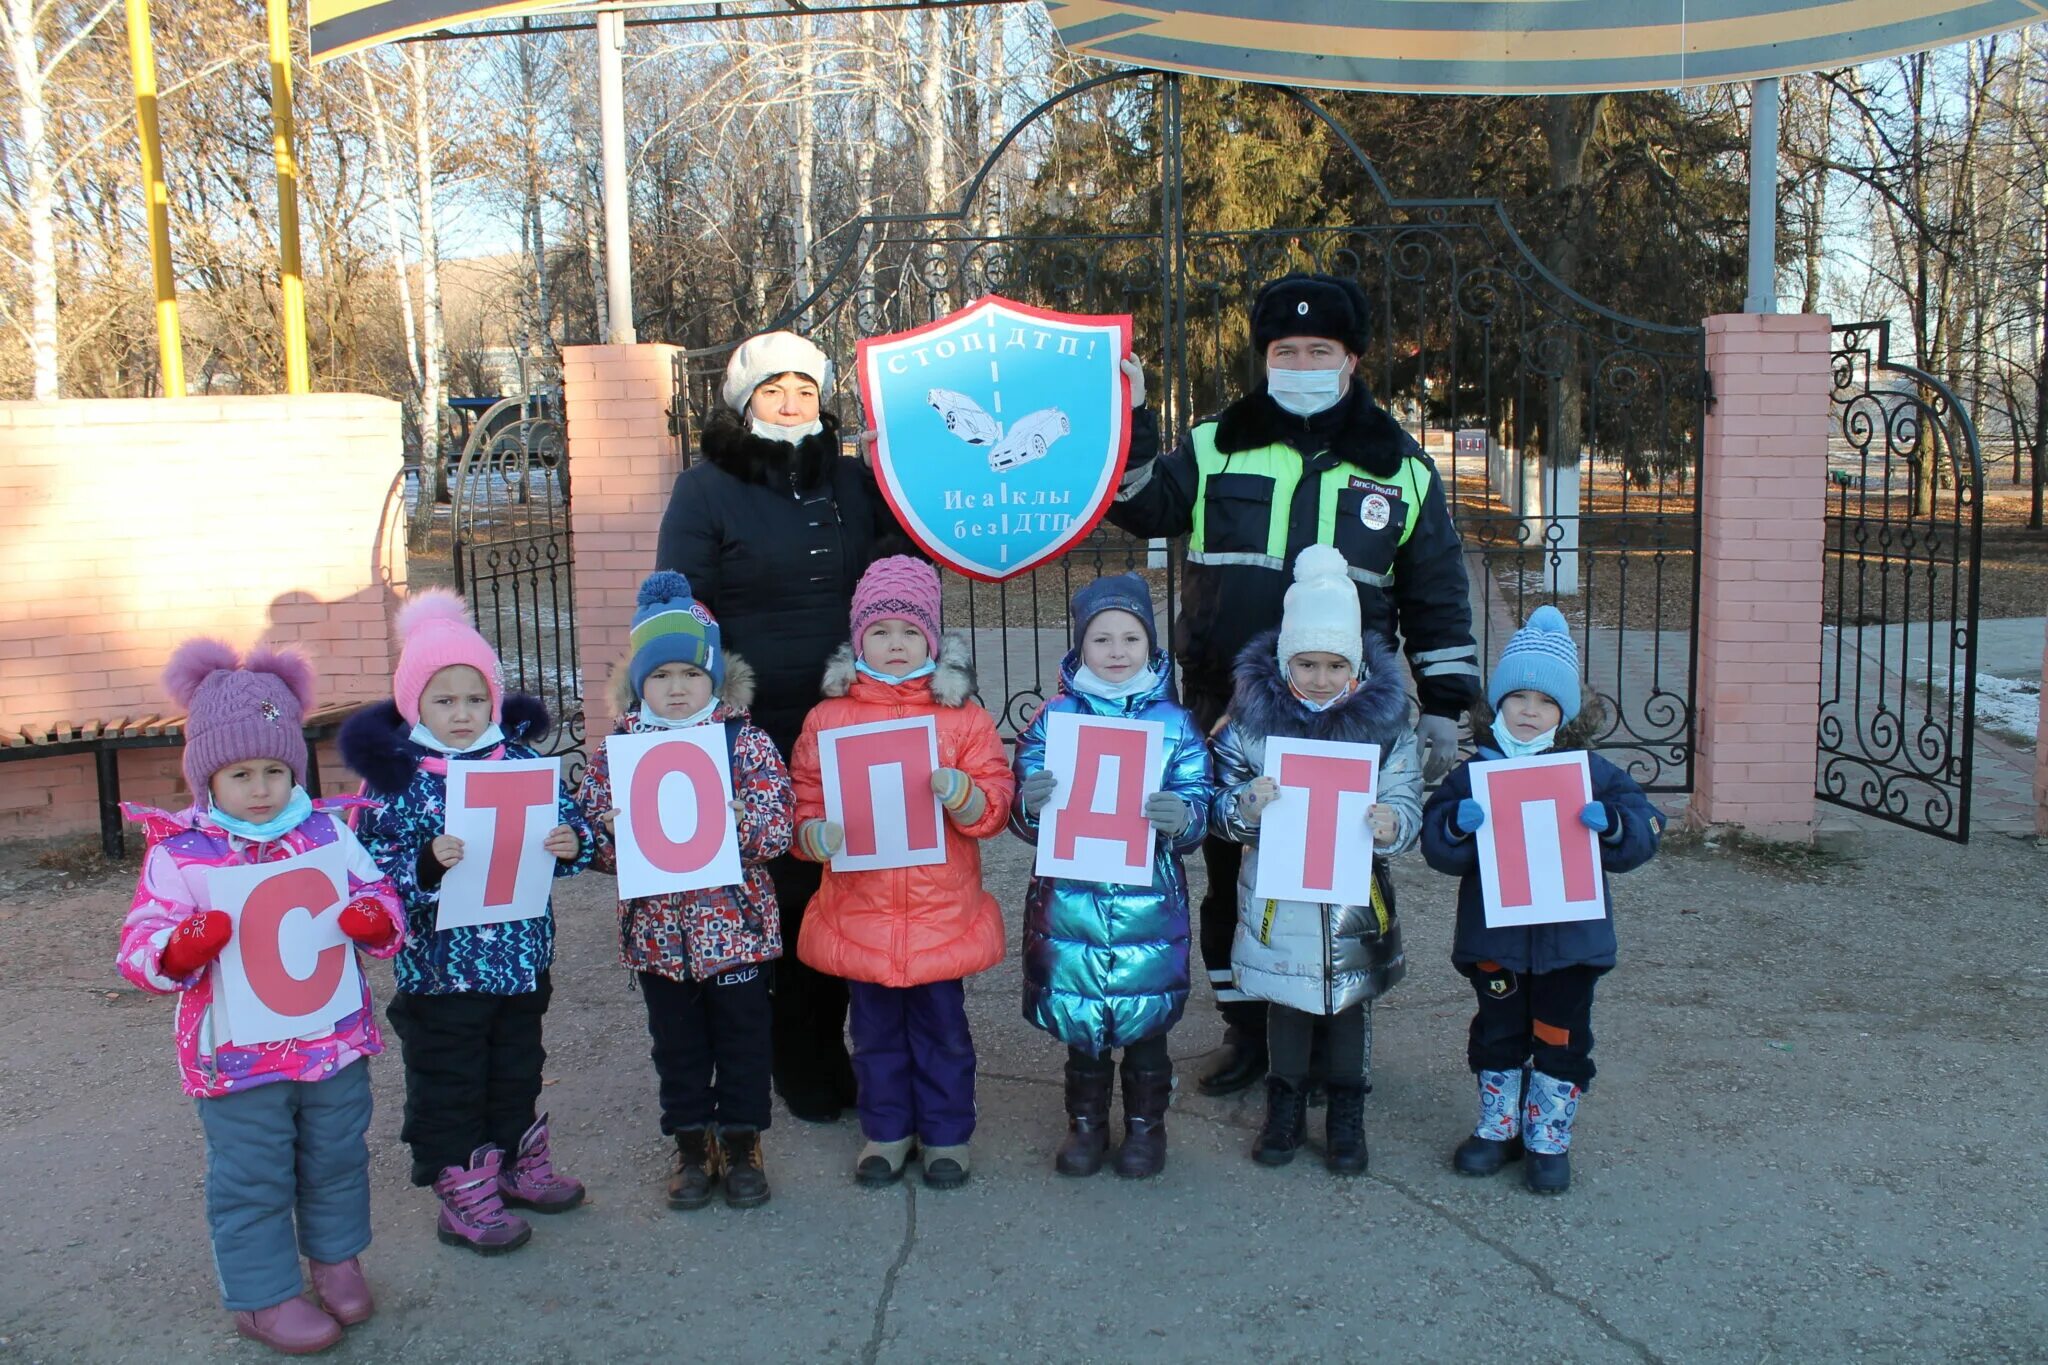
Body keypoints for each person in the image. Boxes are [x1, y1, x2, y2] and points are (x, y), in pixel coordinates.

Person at [1107, 272, 1480, 1097]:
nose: (1301, 361)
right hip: (1225, 710)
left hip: (1345, 721)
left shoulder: (1404, 469)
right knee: (1228, 877)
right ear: (1264, 359)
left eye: (1320, 350)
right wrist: (1130, 420)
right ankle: (1251, 1031)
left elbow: (1437, 593)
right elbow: (1138, 505)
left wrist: (1449, 705)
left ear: (1351, 359)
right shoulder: (1214, 445)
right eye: (1285, 350)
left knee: (1344, 882)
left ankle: (1331, 1031)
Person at [117, 639, 406, 1355]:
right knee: (254, 1173)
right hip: (238, 1058)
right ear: (207, 776)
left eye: (275, 769)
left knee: (337, 1156)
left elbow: (381, 901)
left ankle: (336, 1258)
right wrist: (178, 947)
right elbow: (139, 948)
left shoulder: (327, 835)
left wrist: (374, 919)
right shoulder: (180, 854)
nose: (260, 787)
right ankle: (262, 1294)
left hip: (331, 1044)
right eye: (240, 772)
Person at [656, 329, 908, 1124]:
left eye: (804, 387)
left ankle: (839, 1040)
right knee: (783, 888)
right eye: (774, 389)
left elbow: (900, 575)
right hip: (754, 724)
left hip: (852, 717)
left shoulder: (852, 479)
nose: (791, 401)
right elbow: (682, 602)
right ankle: (790, 1053)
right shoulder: (704, 490)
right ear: (745, 400)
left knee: (849, 879)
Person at [340, 590, 595, 1253]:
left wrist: (573, 843)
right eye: (444, 699)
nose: (462, 713)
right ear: (413, 703)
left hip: (519, 961)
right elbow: (366, 874)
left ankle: (513, 1159)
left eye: (475, 698)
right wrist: (424, 866)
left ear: (494, 699)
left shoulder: (520, 762)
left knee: (516, 1066)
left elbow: (568, 828)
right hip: (440, 974)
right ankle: (461, 1185)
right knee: (451, 1078)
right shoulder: (397, 781)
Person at [785, 556, 1015, 1188]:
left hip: (940, 915)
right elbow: (805, 798)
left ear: (933, 641)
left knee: (944, 1034)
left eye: (910, 632)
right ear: (858, 639)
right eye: (880, 631)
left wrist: (966, 796)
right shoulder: (827, 720)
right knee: (877, 1037)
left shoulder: (961, 719)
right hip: (861, 913)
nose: (894, 643)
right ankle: (886, 1132)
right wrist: (814, 834)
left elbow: (995, 801)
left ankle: (946, 1136)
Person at [1420, 606, 1662, 1195]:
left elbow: (1644, 829)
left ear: (1567, 714)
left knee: (1562, 1034)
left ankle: (1548, 1135)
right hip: (1495, 941)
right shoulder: (1474, 773)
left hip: (1572, 945)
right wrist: (1455, 824)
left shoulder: (1591, 772)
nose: (1530, 711)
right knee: (1498, 1031)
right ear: (1496, 706)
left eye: (1546, 702)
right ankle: (1497, 1127)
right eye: (1518, 698)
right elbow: (1435, 845)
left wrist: (1614, 828)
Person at [576, 571, 795, 1211]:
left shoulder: (744, 743)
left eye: (692, 675)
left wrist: (732, 820)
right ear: (639, 683)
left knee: (745, 1044)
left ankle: (744, 1142)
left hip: (737, 935)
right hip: (658, 939)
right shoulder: (619, 752)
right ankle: (692, 1146)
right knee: (677, 1047)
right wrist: (610, 836)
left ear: (714, 680)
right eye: (661, 676)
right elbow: (589, 839)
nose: (677, 689)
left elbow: (778, 828)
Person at [1209, 546, 1423, 1175]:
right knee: (1287, 1008)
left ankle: (1347, 1116)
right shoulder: (1249, 727)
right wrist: (1247, 804)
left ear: (1357, 666)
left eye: (1335, 664)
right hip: (1279, 902)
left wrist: (1391, 824)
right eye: (1307, 663)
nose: (1322, 678)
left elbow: (1404, 798)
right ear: (1284, 663)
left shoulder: (1385, 730)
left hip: (1354, 904)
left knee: (1351, 1007)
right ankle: (1284, 1108)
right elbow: (1220, 806)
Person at [1009, 574, 1214, 1179]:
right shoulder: (1054, 720)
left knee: (1147, 1030)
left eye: (1131, 637)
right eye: (1102, 639)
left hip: (1148, 905)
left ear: (1152, 647)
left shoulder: (1175, 724)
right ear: (1080, 647)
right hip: (1070, 904)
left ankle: (1148, 1129)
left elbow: (1198, 797)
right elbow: (1023, 807)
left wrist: (1184, 817)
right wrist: (1030, 801)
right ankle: (1086, 1125)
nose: (1118, 651)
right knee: (1083, 1032)